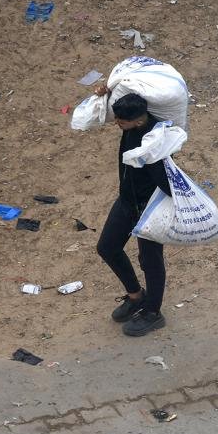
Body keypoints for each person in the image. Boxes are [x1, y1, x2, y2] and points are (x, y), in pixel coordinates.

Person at [92, 88, 172, 336]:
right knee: (107, 247)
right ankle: (136, 296)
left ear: (138, 120)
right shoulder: (133, 118)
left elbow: (166, 182)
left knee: (150, 260)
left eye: (121, 121)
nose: (116, 123)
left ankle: (153, 313)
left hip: (149, 208)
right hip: (127, 200)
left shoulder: (155, 141)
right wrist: (105, 91)